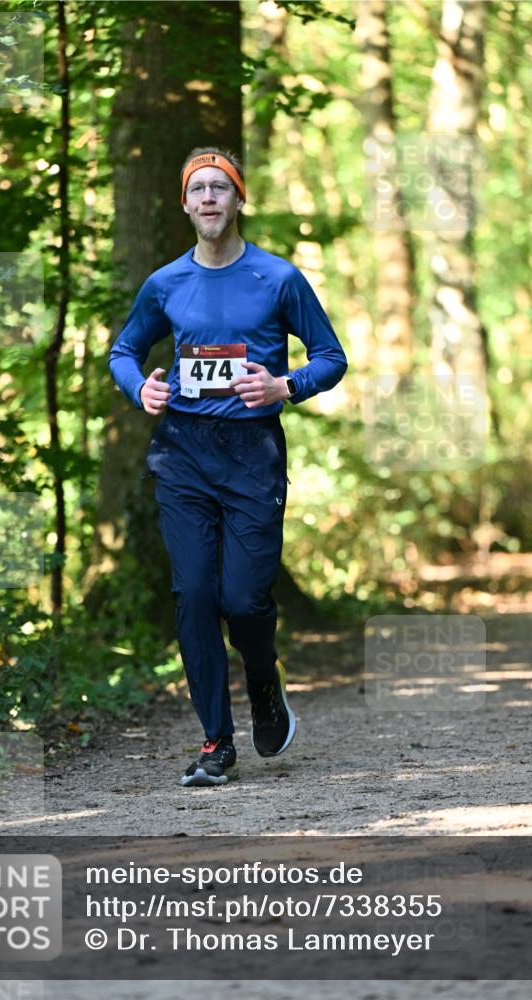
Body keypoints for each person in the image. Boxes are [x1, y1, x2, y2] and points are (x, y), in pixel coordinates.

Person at [109, 146, 347, 787]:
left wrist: (285, 387)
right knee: (193, 595)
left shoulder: (279, 279)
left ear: (240, 200)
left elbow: (331, 356)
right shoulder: (165, 284)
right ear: (185, 204)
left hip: (252, 456)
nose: (210, 198)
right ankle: (217, 742)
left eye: (221, 187)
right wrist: (142, 390)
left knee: (242, 601)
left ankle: (265, 680)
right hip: (183, 451)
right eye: (199, 189)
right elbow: (125, 350)